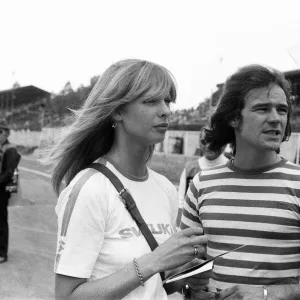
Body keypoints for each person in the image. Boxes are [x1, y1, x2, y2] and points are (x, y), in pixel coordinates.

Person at [49, 59, 209, 300]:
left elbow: (156, 286)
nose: (165, 110)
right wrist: (154, 261)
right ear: (118, 110)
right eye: (151, 101)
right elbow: (67, 297)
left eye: (167, 100)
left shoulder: (164, 188)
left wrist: (185, 275)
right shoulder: (89, 189)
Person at [180, 64, 300, 300]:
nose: (276, 118)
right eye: (263, 109)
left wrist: (268, 293)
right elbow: (182, 272)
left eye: (282, 110)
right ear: (234, 117)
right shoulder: (201, 185)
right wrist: (191, 288)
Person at [176, 126, 228, 226]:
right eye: (204, 141)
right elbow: (181, 202)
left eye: (213, 141)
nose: (208, 146)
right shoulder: (190, 169)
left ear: (224, 144)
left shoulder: (231, 167)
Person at [0, 120, 20, 263]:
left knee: (1, 222)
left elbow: (8, 172)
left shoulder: (10, 149)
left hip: (2, 191)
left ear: (6, 133)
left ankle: (2, 253)